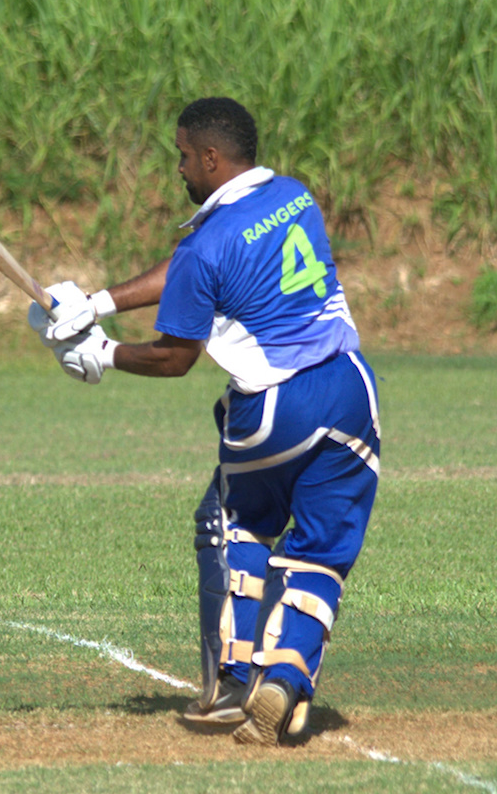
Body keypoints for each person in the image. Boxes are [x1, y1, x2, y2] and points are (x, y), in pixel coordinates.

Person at [29, 97, 380, 746]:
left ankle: (231, 685)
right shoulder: (291, 195)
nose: (180, 168)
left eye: (184, 156)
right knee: (321, 550)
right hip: (351, 389)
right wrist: (101, 302)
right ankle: (285, 676)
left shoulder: (206, 246)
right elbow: (191, 268)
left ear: (212, 158)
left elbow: (174, 356)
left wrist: (101, 353)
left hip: (275, 405)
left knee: (233, 522)